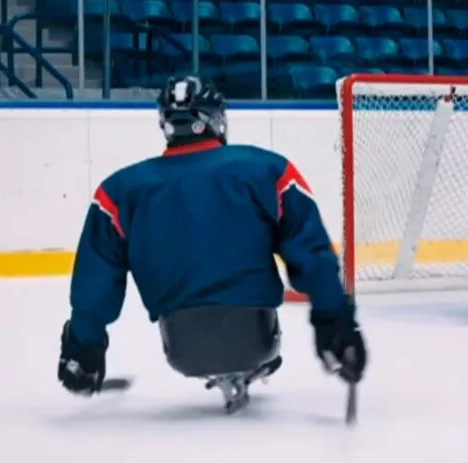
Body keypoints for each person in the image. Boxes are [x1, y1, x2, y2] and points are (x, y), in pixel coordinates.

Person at [56, 75, 366, 412]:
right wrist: (334, 322)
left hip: (183, 351)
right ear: (217, 120)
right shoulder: (267, 170)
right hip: (256, 339)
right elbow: (311, 253)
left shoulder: (118, 191)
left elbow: (95, 280)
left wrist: (83, 349)